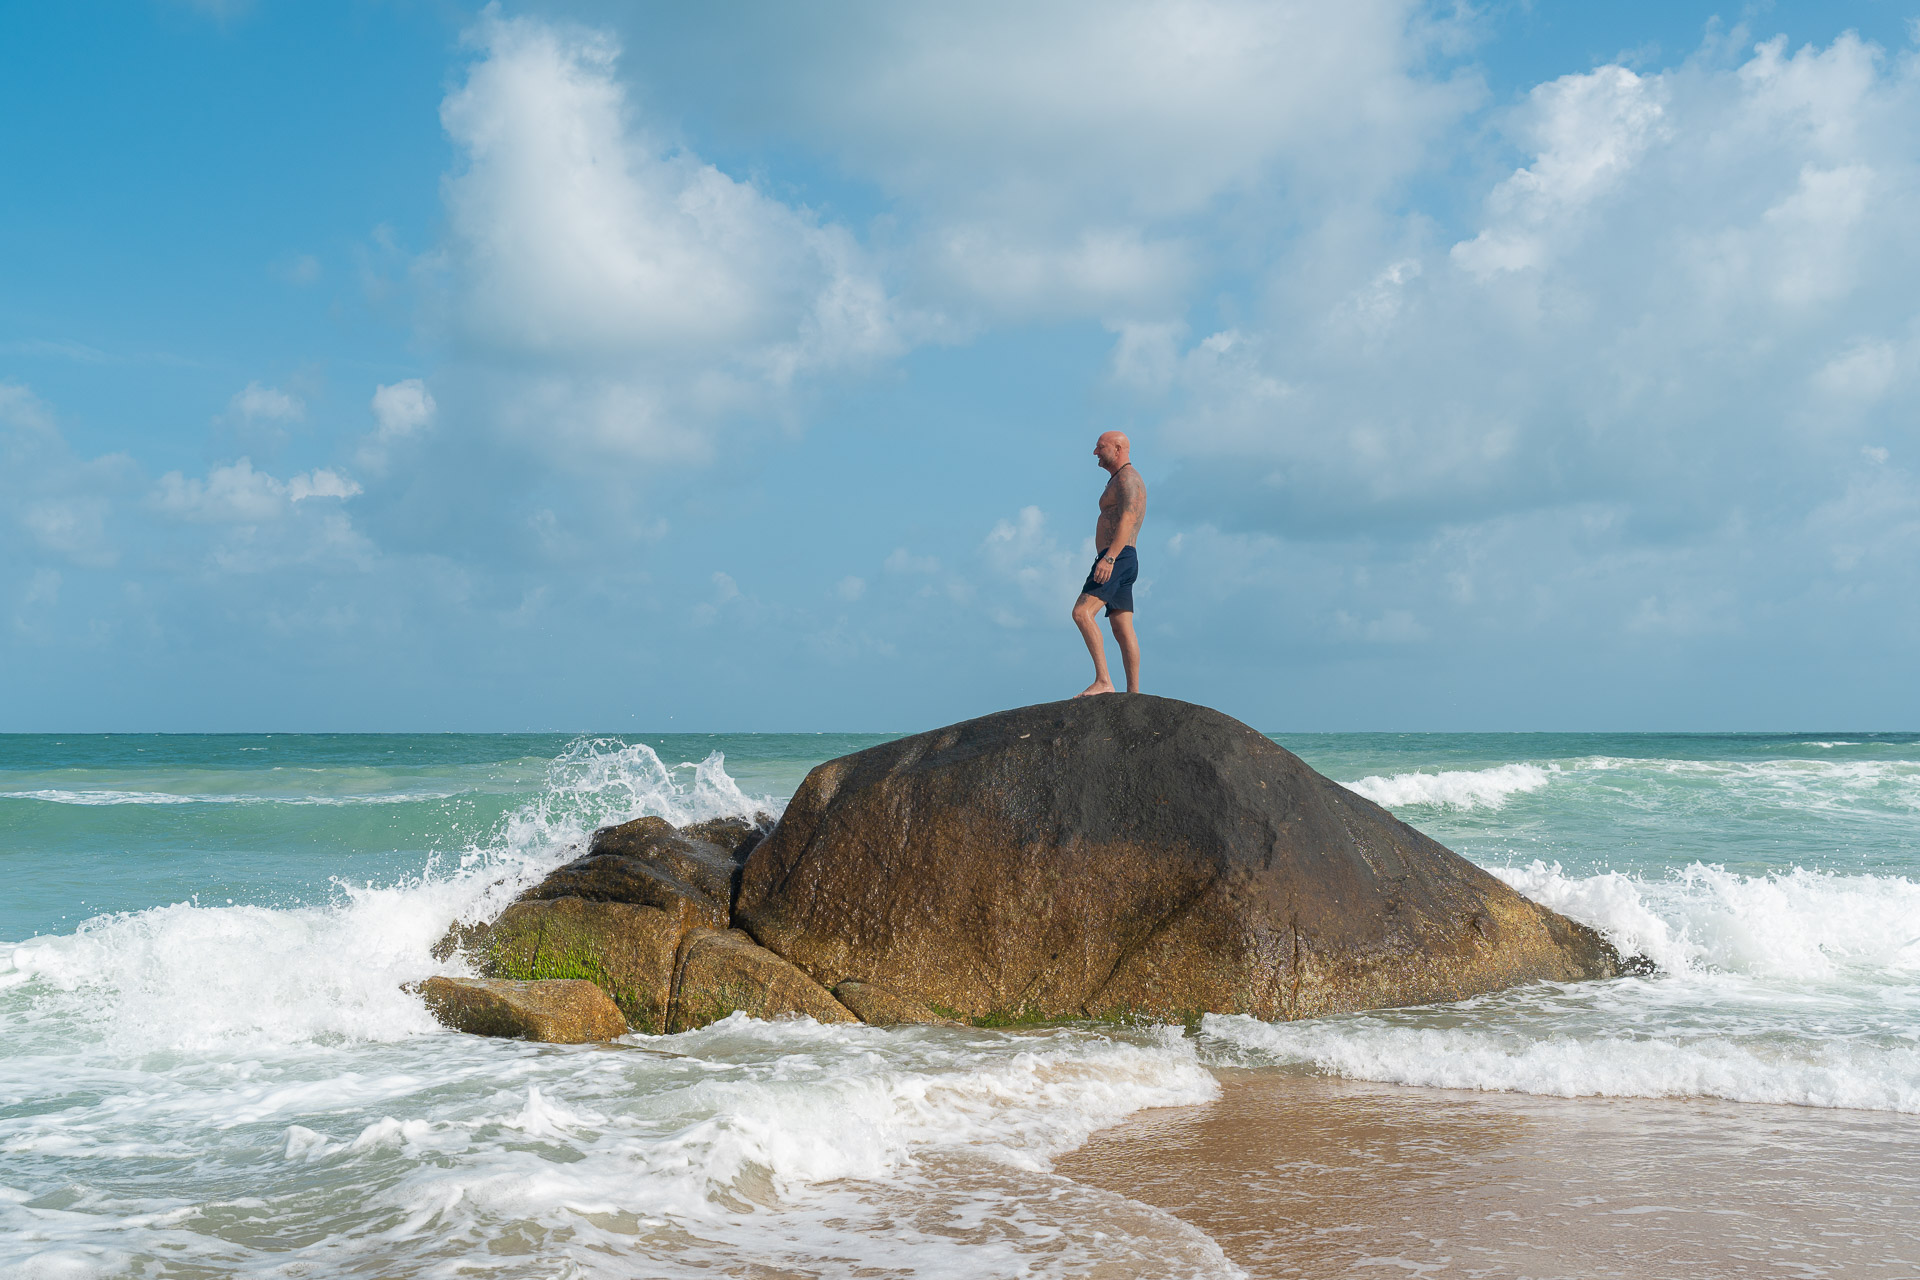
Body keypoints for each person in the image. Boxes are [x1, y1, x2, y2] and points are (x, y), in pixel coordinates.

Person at [1073, 430, 1145, 696]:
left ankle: (1103, 680)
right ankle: (1133, 695)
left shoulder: (1128, 478)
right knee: (1122, 627)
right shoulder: (1119, 479)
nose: (1095, 452)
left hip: (1117, 557)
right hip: (1124, 557)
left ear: (1118, 448)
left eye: (1100, 447)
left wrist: (1110, 557)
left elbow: (1128, 518)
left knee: (1082, 613)